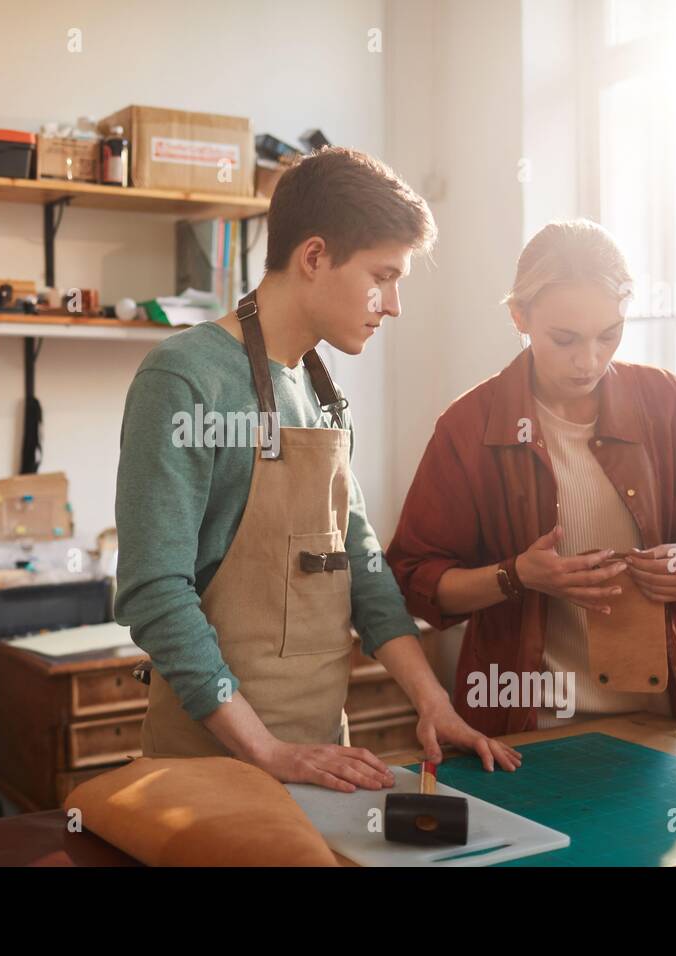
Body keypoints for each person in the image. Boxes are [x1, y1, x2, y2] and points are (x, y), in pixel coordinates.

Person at [115, 147, 521, 792]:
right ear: (313, 257)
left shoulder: (321, 391)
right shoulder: (185, 378)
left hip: (321, 759)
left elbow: (361, 564)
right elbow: (153, 592)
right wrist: (266, 751)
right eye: (382, 276)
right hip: (213, 765)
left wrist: (432, 701)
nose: (393, 305)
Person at [386, 219, 676, 735]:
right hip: (522, 725)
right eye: (565, 339)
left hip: (657, 719)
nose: (588, 361)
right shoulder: (468, 426)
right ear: (519, 316)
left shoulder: (670, 403)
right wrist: (517, 575)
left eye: (609, 336)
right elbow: (415, 582)